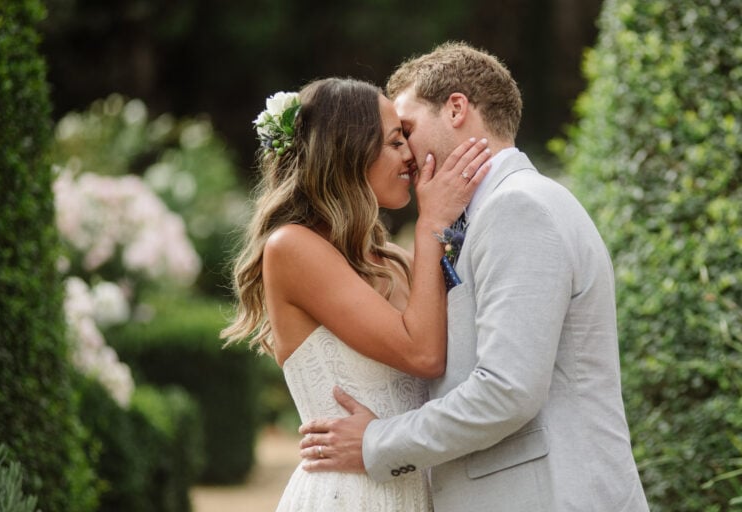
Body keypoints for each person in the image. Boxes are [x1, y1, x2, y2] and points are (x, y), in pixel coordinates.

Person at [299, 42, 650, 511]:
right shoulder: (487, 213)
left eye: (407, 130)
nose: (403, 153)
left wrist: (375, 442)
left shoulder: (517, 208)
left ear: (457, 109)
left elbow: (506, 391)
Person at [221, 77, 491, 511]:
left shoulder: (397, 261)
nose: (410, 155)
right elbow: (422, 354)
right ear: (348, 152)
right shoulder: (291, 248)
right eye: (394, 142)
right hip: (348, 496)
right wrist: (430, 225)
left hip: (420, 491)